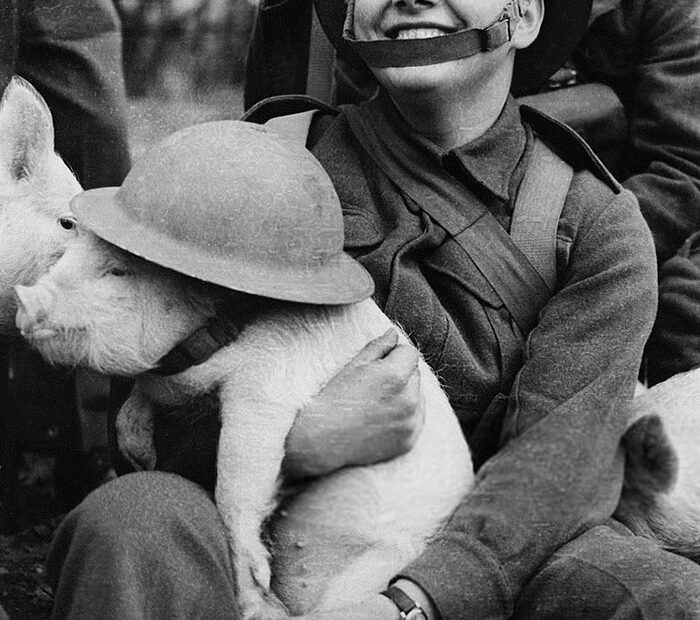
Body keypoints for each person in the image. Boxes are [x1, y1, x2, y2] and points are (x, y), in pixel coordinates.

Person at [47, 1, 700, 619]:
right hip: (257, 530)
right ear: (351, 17)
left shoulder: (598, 227)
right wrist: (303, 443)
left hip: (494, 557)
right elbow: (147, 400)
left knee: (654, 596)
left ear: (524, 14)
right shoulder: (260, 163)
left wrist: (412, 601)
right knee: (130, 521)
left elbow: (554, 466)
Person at [245, 0, 700, 386]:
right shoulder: (286, 149)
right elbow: (377, 121)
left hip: (578, 253)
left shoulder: (665, 11)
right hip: (409, 214)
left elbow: (681, 170)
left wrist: (578, 258)